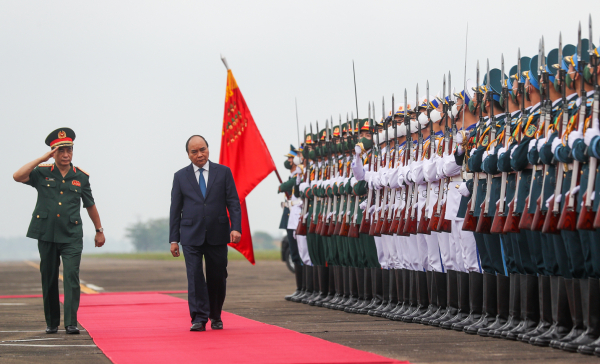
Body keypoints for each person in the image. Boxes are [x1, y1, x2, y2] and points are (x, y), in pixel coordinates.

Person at [13, 127, 105, 335]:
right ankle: (52, 322)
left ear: (73, 151)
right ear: (53, 152)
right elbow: (17, 176)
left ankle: (71, 322)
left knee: (72, 276)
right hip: (46, 233)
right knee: (49, 277)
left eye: (69, 150)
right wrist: (42, 158)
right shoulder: (41, 172)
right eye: (60, 151)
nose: (65, 155)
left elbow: (90, 205)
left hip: (71, 235)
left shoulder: (80, 177)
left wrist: (99, 230)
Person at [169, 135, 242, 332]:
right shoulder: (180, 176)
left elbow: (233, 202)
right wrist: (174, 239)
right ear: (188, 154)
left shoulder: (223, 172)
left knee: (218, 276)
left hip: (218, 233)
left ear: (208, 149)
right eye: (194, 152)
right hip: (190, 234)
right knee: (194, 276)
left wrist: (236, 227)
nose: (200, 154)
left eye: (203, 149)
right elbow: (175, 210)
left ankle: (215, 314)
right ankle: (198, 318)